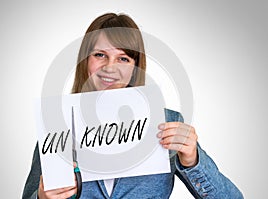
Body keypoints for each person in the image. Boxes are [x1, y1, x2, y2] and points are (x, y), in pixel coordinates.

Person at [22, 12, 243, 199]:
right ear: (85, 61)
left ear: (136, 66)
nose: (110, 67)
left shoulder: (166, 122)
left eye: (124, 58)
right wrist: (41, 197)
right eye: (100, 55)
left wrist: (193, 159)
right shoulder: (58, 125)